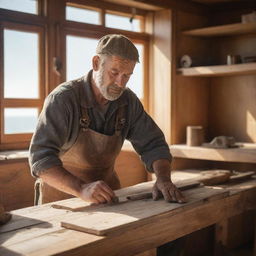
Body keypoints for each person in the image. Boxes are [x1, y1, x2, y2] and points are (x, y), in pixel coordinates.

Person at [29, 34, 186, 205]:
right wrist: (81, 188)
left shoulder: (128, 102)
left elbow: (153, 144)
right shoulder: (63, 99)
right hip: (62, 198)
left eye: (127, 76)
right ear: (96, 63)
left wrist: (163, 178)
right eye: (114, 72)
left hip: (107, 195)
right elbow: (40, 159)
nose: (120, 83)